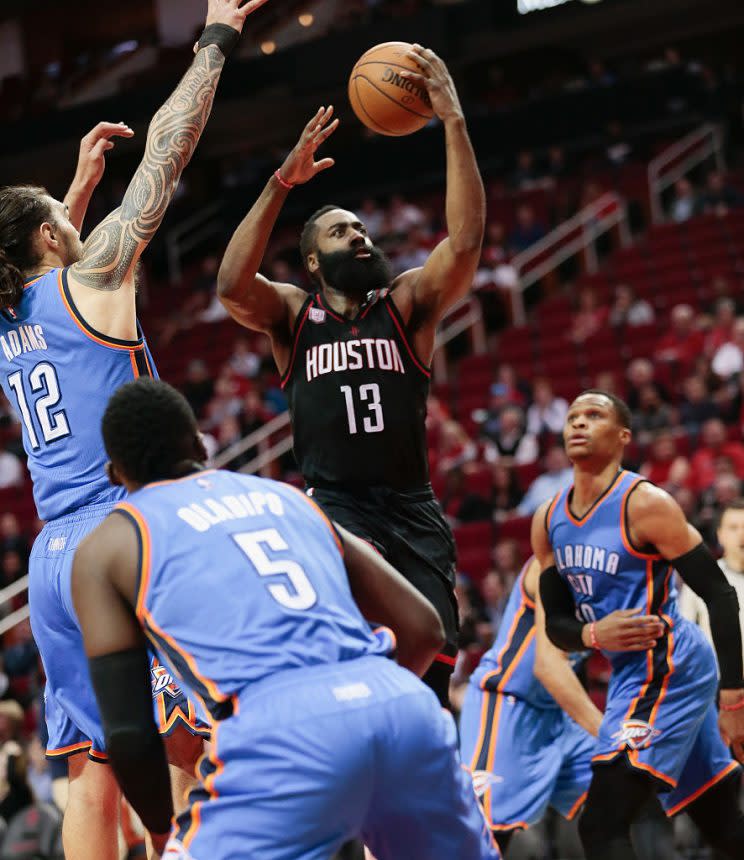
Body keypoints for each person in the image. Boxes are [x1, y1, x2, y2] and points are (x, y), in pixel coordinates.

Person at [0, 1, 269, 857]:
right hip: (132, 536)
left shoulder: (8, 320)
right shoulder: (98, 278)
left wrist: (66, 195)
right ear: (53, 235)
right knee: (185, 743)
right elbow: (166, 151)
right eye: (65, 219)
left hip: (53, 559)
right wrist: (216, 40)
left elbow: (40, 268)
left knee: (93, 771)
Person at [71, 377, 501, 860]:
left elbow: (129, 735)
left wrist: (157, 831)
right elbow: (424, 629)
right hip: (399, 707)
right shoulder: (290, 498)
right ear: (198, 443)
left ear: (114, 473)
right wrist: (355, 710)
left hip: (279, 732)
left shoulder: (107, 545)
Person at [216, 44, 485, 707]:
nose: (360, 236)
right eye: (340, 233)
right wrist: (282, 183)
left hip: (411, 509)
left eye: (362, 228)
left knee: (433, 673)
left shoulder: (406, 305)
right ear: (312, 261)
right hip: (337, 510)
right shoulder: (291, 315)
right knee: (357, 668)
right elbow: (230, 286)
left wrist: (451, 118)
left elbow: (466, 241)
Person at [532, 389, 744, 860]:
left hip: (671, 666)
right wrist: (592, 634)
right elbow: (557, 626)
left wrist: (733, 699)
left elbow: (719, 595)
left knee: (602, 823)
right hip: (631, 672)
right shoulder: (548, 520)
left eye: (593, 415)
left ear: (623, 436)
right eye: (571, 418)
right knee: (721, 823)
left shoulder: (645, 503)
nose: (579, 424)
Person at [459, 555, 600, 854]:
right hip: (506, 705)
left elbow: (576, 658)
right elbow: (548, 667)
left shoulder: (608, 574)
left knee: (621, 791)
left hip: (557, 713)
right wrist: (606, 731)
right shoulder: (552, 564)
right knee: (485, 834)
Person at [680, 499, 744, 649]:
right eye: (734, 528)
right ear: (720, 535)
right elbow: (684, 637)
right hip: (717, 671)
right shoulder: (701, 578)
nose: (742, 534)